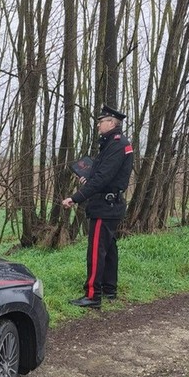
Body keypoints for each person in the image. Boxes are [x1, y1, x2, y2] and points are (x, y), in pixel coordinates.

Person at [62, 105, 133, 308]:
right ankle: (109, 290)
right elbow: (102, 174)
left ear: (111, 122)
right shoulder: (112, 144)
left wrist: (75, 198)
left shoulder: (117, 145)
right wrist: (89, 178)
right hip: (110, 203)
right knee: (109, 248)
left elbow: (103, 178)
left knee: (96, 250)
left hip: (105, 205)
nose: (99, 125)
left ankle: (93, 295)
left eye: (101, 122)